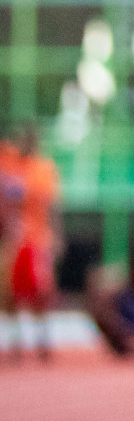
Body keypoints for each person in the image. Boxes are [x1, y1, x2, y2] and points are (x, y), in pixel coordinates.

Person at [0, 124, 61, 361]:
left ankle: (43, 339)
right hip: (13, 241)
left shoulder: (43, 169)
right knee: (10, 292)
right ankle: (15, 341)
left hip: (38, 240)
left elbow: (52, 205)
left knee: (42, 292)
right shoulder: (8, 164)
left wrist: (57, 235)